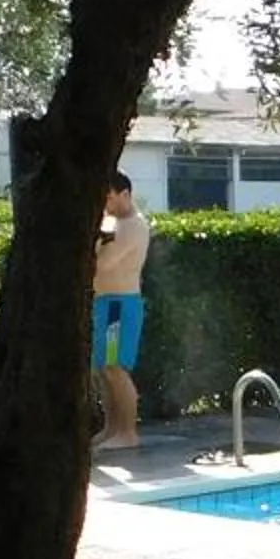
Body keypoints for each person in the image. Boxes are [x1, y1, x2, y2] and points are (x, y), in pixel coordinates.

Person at [92, 170, 152, 452]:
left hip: (119, 304)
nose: (105, 203)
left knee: (115, 368)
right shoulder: (114, 222)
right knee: (105, 369)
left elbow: (102, 263)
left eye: (109, 197)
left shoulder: (133, 226)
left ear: (125, 194)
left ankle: (128, 432)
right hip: (106, 302)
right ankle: (112, 429)